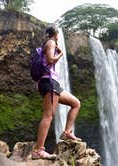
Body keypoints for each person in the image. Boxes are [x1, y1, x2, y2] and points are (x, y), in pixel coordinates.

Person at [31, 24, 81, 159]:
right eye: (58, 33)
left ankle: (67, 132)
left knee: (76, 103)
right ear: (56, 33)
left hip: (54, 83)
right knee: (48, 115)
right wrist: (61, 54)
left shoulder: (48, 43)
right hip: (49, 81)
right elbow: (50, 60)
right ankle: (38, 150)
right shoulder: (51, 42)